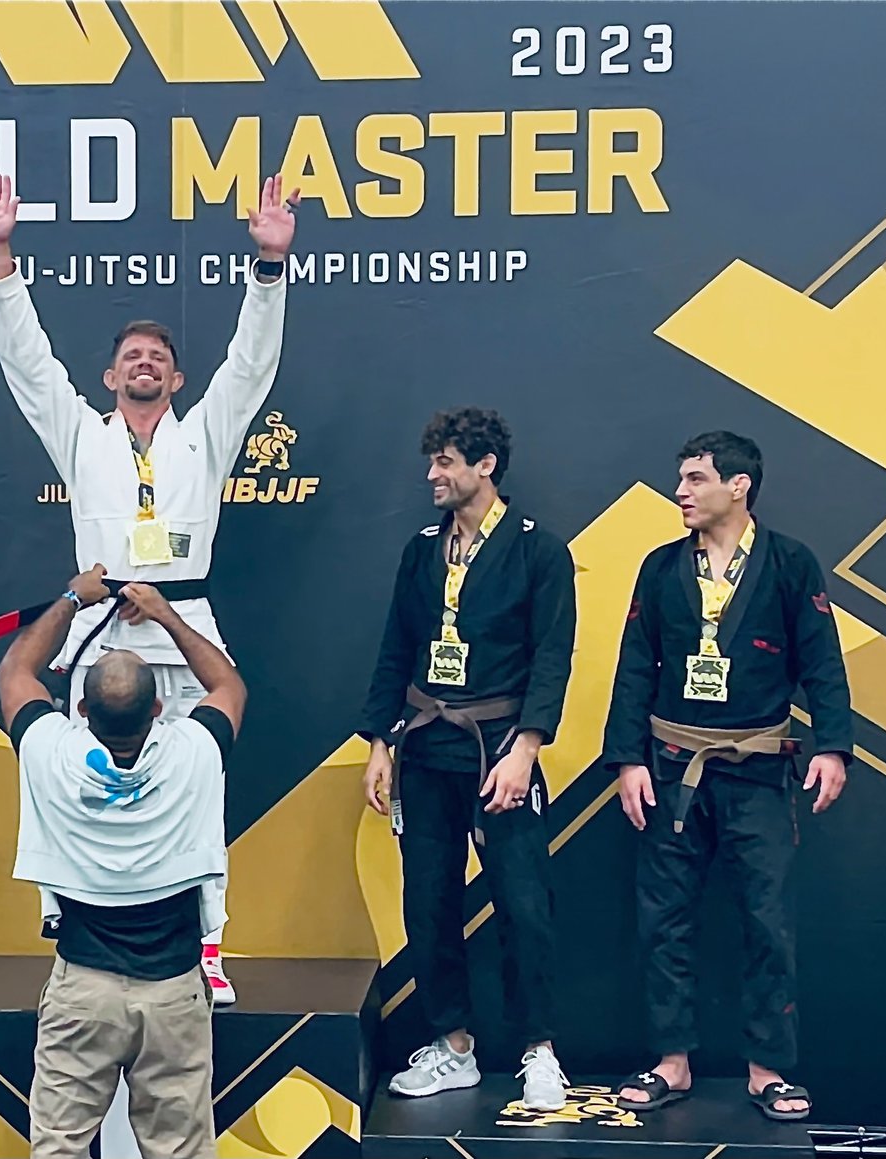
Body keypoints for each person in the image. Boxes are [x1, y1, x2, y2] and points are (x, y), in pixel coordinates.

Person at [0, 170, 298, 1005]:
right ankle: (69, 928)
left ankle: (210, 942)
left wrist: (267, 269)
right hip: (103, 626)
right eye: (131, 358)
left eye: (158, 358)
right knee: (76, 774)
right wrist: (0, 255)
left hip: (185, 617)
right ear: (111, 377)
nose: (145, 365)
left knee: (199, 782)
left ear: (177, 380)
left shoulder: (206, 437)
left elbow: (252, 363)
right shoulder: (81, 434)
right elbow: (27, 365)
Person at [604, 431, 852, 1122]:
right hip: (673, 766)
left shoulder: (791, 564)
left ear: (739, 485)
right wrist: (627, 758)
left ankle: (769, 1069)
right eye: (681, 478)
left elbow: (822, 662)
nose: (681, 490)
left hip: (758, 771)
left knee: (767, 921)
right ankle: (671, 1061)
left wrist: (832, 745)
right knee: (664, 920)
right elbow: (632, 670)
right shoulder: (660, 569)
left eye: (695, 478)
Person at [359, 407, 578, 1112]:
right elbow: (397, 647)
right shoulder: (421, 549)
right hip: (427, 745)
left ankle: (539, 1051)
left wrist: (527, 748)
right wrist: (380, 741)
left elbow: (552, 658)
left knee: (524, 904)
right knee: (427, 901)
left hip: (499, 749)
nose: (433, 474)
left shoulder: (539, 550)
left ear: (485, 466)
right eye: (432, 462)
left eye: (446, 461)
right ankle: (452, 1045)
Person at [0, 564, 247, 1159]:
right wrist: (165, 613)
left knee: (58, 1148)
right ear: (161, 708)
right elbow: (228, 686)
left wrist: (69, 599)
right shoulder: (194, 753)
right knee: (180, 1151)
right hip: (174, 992)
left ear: (79, 710)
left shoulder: (50, 751)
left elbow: (15, 670)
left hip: (82, 989)